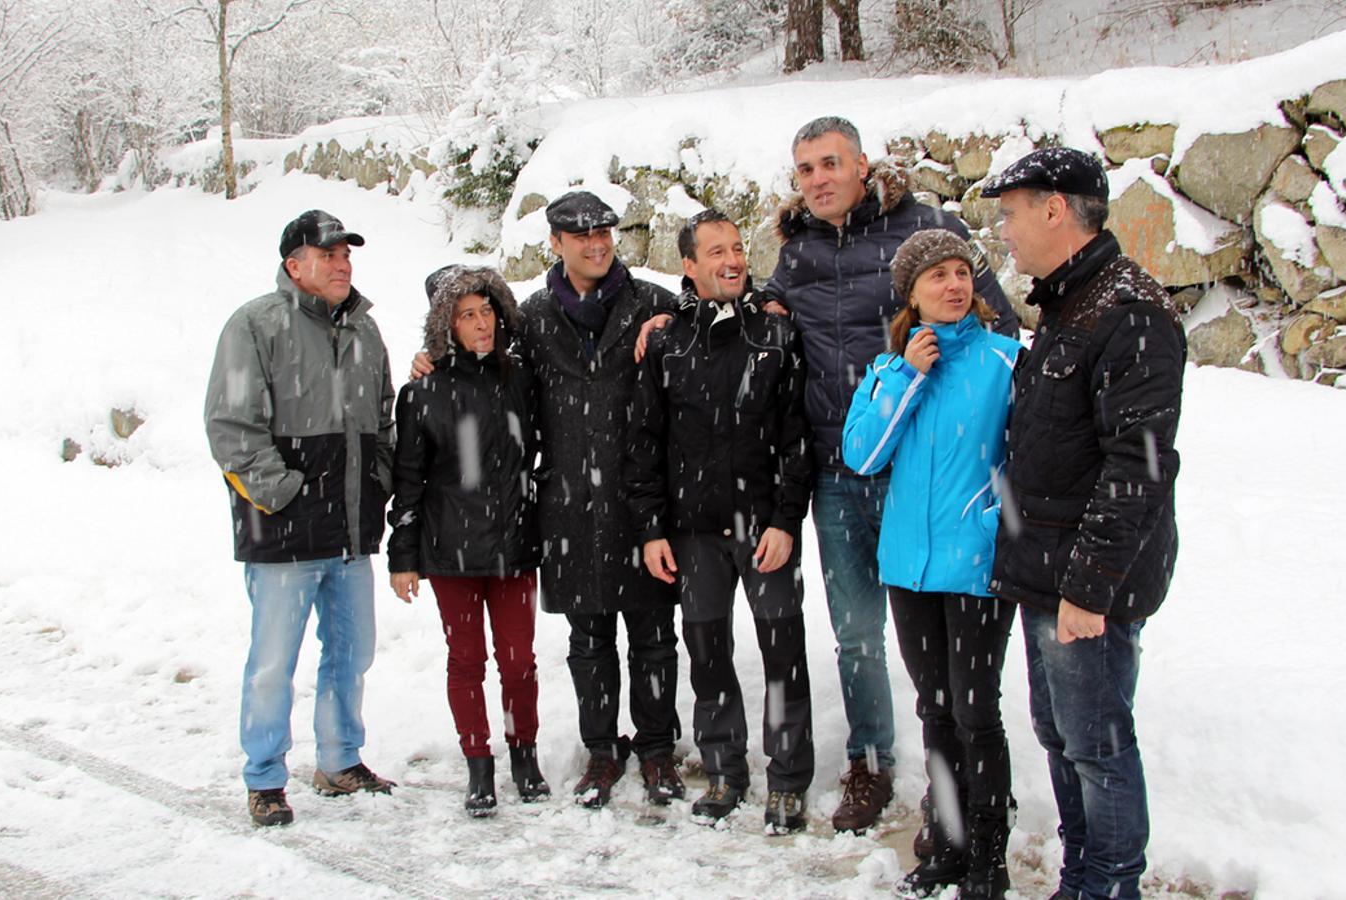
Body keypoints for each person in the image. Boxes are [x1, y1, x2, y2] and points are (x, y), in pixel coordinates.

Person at [765, 115, 1021, 834]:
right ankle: (871, 764)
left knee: (942, 639)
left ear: (862, 164)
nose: (817, 179)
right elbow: (765, 311)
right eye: (805, 169)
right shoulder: (797, 253)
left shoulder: (925, 232)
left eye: (829, 163)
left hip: (919, 475)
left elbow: (995, 327)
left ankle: (965, 777)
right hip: (839, 467)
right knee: (857, 632)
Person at [411, 191, 683, 809]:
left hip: (643, 501)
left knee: (653, 634)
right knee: (589, 641)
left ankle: (658, 748)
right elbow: (479, 361)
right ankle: (602, 752)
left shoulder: (652, 302)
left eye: (604, 233)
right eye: (580, 235)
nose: (596, 244)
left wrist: (677, 316)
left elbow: (705, 305)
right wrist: (430, 361)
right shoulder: (531, 318)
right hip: (567, 505)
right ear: (555, 244)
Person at [981, 147, 1185, 900]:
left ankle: (1110, 886)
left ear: (1054, 209)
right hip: (1047, 568)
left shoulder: (1127, 313)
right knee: (1062, 738)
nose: (1004, 231)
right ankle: (1080, 877)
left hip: (1083, 583)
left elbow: (1140, 470)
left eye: (1011, 213)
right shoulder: (1070, 302)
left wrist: (1089, 590)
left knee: (1096, 745)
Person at [842, 229, 1022, 899]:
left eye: (961, 273)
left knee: (977, 716)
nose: (954, 285)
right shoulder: (890, 370)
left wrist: (993, 522)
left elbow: (1029, 460)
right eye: (937, 277)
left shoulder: (1006, 361)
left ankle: (988, 859)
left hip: (975, 568)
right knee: (937, 711)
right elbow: (864, 456)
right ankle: (947, 845)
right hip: (908, 570)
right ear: (910, 296)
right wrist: (908, 377)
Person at [204, 209, 396, 828]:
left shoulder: (365, 330)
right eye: (330, 253)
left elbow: (384, 420)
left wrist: (380, 481)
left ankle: (340, 760)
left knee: (352, 651)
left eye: (348, 254)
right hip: (282, 531)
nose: (343, 263)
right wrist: (284, 494)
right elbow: (231, 428)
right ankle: (264, 776)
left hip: (349, 532)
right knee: (272, 662)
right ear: (295, 264)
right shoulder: (255, 325)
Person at [625, 210, 814, 833]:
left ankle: (787, 780)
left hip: (764, 529)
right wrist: (652, 528)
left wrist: (787, 519)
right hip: (695, 533)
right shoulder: (666, 341)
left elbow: (796, 440)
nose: (732, 260)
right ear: (688, 265)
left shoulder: (775, 337)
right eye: (716, 252)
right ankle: (725, 770)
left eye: (737, 248)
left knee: (783, 652)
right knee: (707, 655)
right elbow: (644, 444)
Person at [387, 265, 548, 817]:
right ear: (445, 326)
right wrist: (402, 557)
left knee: (519, 662)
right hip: (450, 553)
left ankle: (523, 753)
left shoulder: (523, 380)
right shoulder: (422, 391)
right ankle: (479, 764)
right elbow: (407, 481)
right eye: (467, 315)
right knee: (466, 661)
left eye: (487, 311)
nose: (482, 324)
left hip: (514, 549)